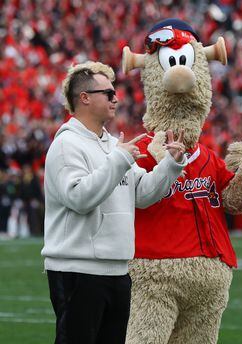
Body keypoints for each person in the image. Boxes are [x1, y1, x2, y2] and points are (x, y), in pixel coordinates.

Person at [41, 61, 187, 344]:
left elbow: (142, 195)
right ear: (84, 98)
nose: (115, 98)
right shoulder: (66, 144)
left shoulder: (111, 144)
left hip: (119, 270)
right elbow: (79, 198)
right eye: (107, 93)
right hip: (77, 270)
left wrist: (171, 164)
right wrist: (119, 160)